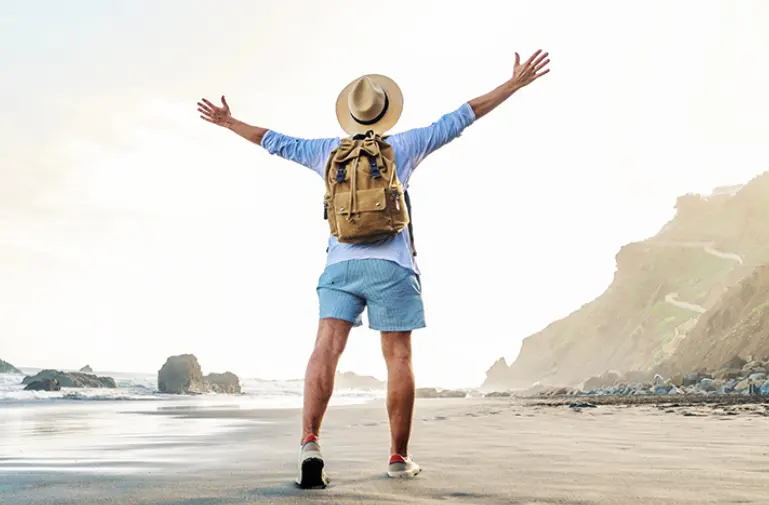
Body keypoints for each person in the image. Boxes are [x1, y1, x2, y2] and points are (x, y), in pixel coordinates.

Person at [197, 49, 551, 488]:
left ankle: (310, 441)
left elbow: (273, 140)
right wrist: (512, 85)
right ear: (385, 114)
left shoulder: (326, 152)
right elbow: (463, 116)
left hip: (340, 267)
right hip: (392, 265)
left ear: (350, 115)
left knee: (325, 349)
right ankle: (398, 457)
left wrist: (229, 122)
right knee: (398, 358)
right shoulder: (403, 146)